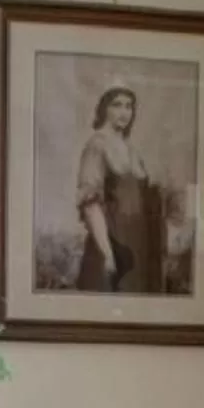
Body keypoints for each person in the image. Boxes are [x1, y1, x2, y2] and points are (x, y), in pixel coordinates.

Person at [73, 83, 169, 293]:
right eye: (117, 105)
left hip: (139, 247)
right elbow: (90, 205)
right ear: (104, 108)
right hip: (112, 245)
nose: (124, 112)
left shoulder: (131, 149)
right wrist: (107, 253)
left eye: (129, 106)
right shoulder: (97, 145)